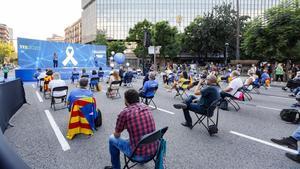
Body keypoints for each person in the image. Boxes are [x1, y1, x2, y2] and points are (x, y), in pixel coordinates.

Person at [104, 89, 157, 169]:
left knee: (112, 138)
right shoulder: (146, 107)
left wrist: (124, 127)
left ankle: (115, 167)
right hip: (153, 151)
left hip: (138, 155)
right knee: (140, 133)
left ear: (126, 100)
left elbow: (117, 135)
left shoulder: (125, 113)